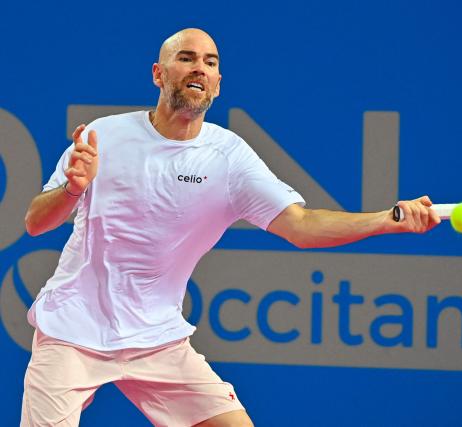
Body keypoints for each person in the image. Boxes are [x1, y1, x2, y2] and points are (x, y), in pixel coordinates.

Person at [21, 28, 440, 427]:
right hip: (71, 332)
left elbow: (301, 225)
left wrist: (389, 219)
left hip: (157, 339)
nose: (198, 68)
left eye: (209, 62)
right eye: (185, 58)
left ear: (218, 83)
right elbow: (36, 223)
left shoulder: (228, 158)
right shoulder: (103, 136)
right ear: (158, 73)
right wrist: (73, 191)